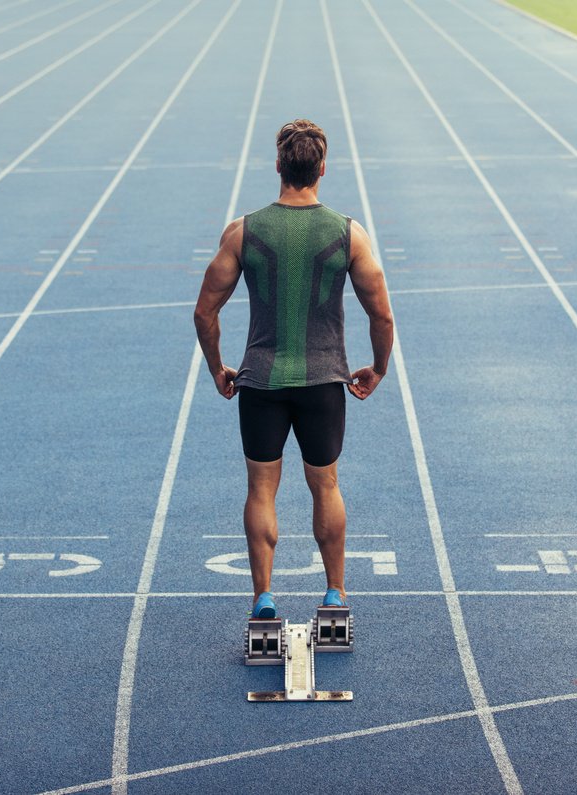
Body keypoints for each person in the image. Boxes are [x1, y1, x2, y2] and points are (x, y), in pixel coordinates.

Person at [193, 119, 394, 620]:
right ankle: (334, 594)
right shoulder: (349, 234)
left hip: (260, 380)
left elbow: (204, 312)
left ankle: (263, 597)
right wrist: (379, 369)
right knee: (325, 484)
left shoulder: (243, 232)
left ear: (280, 165)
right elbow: (382, 314)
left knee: (262, 488)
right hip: (325, 382)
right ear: (322, 168)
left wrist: (219, 367)